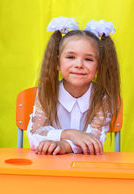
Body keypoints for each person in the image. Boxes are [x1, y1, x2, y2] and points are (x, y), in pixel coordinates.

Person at [27, 17, 121, 155]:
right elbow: (35, 134)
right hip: (49, 165)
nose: (79, 65)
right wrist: (71, 134)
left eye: (88, 59)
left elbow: (94, 140)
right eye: (71, 57)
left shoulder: (102, 98)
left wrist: (65, 145)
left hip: (86, 169)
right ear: (57, 63)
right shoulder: (46, 92)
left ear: (99, 67)